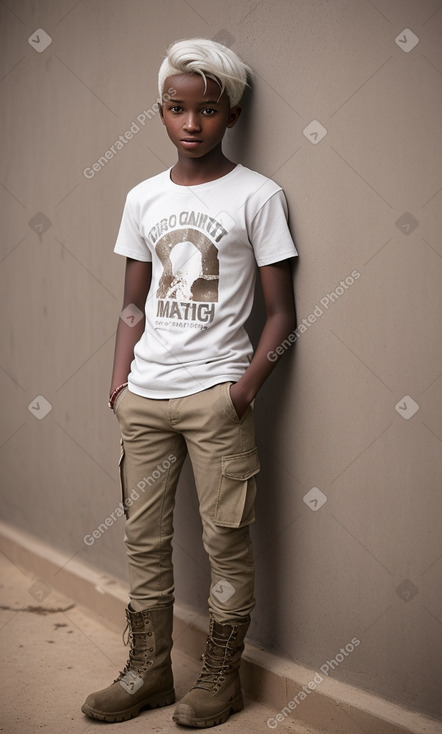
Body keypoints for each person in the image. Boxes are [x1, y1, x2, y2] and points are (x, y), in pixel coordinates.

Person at [81, 37, 298, 728]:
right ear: (160, 113)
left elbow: (282, 314)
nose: (191, 123)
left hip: (215, 399)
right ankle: (147, 672)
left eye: (206, 110)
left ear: (230, 114)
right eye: (177, 108)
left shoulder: (258, 196)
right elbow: (131, 302)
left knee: (224, 539)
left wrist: (241, 392)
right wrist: (120, 380)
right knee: (142, 540)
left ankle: (220, 678)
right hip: (144, 398)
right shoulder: (141, 197)